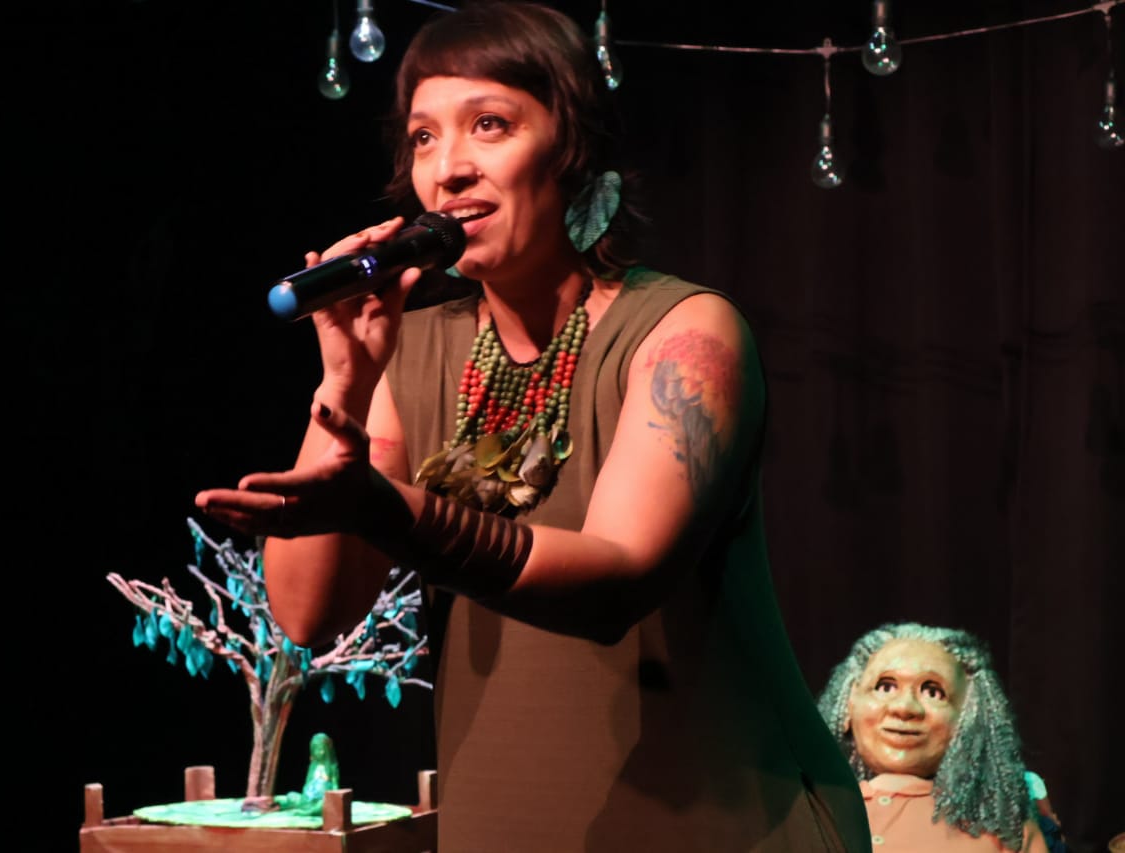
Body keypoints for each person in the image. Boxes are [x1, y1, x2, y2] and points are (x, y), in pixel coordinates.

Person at [195, 2, 869, 850]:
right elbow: (306, 614)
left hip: (725, 826)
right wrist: (347, 383)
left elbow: (616, 579)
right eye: (424, 138)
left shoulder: (687, 335)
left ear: (573, 153)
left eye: (490, 124)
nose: (449, 169)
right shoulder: (413, 353)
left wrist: (390, 510)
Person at [816, 623, 1056, 852]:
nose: (904, 708)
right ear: (850, 701)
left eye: (933, 692)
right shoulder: (811, 809)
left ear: (970, 714)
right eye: (885, 687)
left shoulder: (1003, 828)